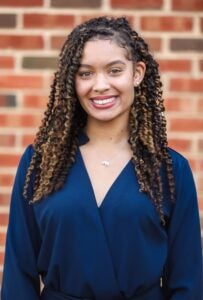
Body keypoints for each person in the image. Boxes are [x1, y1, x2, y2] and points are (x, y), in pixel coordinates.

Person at [1, 16, 202, 300]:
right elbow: (18, 275)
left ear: (137, 73)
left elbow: (187, 282)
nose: (100, 85)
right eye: (85, 74)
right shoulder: (41, 162)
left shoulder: (170, 169)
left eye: (114, 70)